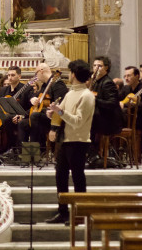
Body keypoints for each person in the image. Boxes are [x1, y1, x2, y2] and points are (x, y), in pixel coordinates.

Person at [45, 59, 95, 224]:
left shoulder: (87, 95)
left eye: (70, 72)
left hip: (79, 141)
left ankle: (80, 214)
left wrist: (60, 112)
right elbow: (61, 114)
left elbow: (78, 121)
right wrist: (52, 113)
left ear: (74, 74)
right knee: (60, 177)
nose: (69, 74)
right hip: (65, 140)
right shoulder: (70, 92)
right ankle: (63, 212)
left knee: (78, 177)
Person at [18, 63, 68, 148]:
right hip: (43, 115)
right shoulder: (45, 85)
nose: (36, 77)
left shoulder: (58, 84)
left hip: (55, 118)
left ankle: (38, 150)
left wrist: (53, 127)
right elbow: (37, 100)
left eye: (36, 73)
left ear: (41, 71)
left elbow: (60, 106)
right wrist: (32, 99)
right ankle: (22, 153)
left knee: (35, 116)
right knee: (22, 123)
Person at [89, 56, 122, 155]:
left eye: (99, 66)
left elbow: (112, 104)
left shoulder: (107, 82)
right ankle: (90, 154)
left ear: (106, 68)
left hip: (109, 120)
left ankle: (93, 155)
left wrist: (94, 99)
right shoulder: (96, 82)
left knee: (88, 123)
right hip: (101, 117)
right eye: (94, 65)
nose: (96, 68)